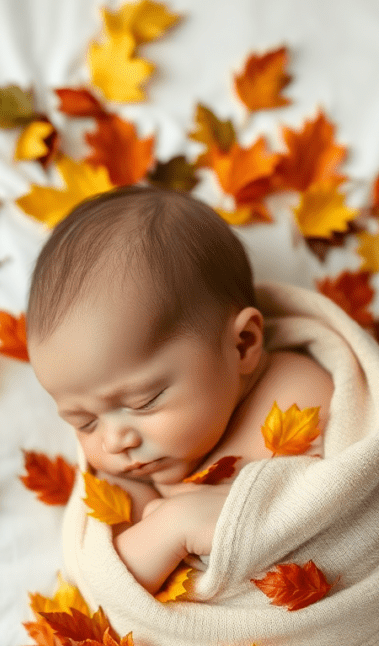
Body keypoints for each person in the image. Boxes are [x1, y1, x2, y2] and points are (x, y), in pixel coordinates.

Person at [27, 184, 334, 596]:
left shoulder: (295, 389)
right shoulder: (127, 479)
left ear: (242, 345)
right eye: (83, 421)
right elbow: (113, 589)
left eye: (144, 401)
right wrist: (173, 528)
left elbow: (334, 503)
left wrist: (228, 512)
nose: (115, 440)